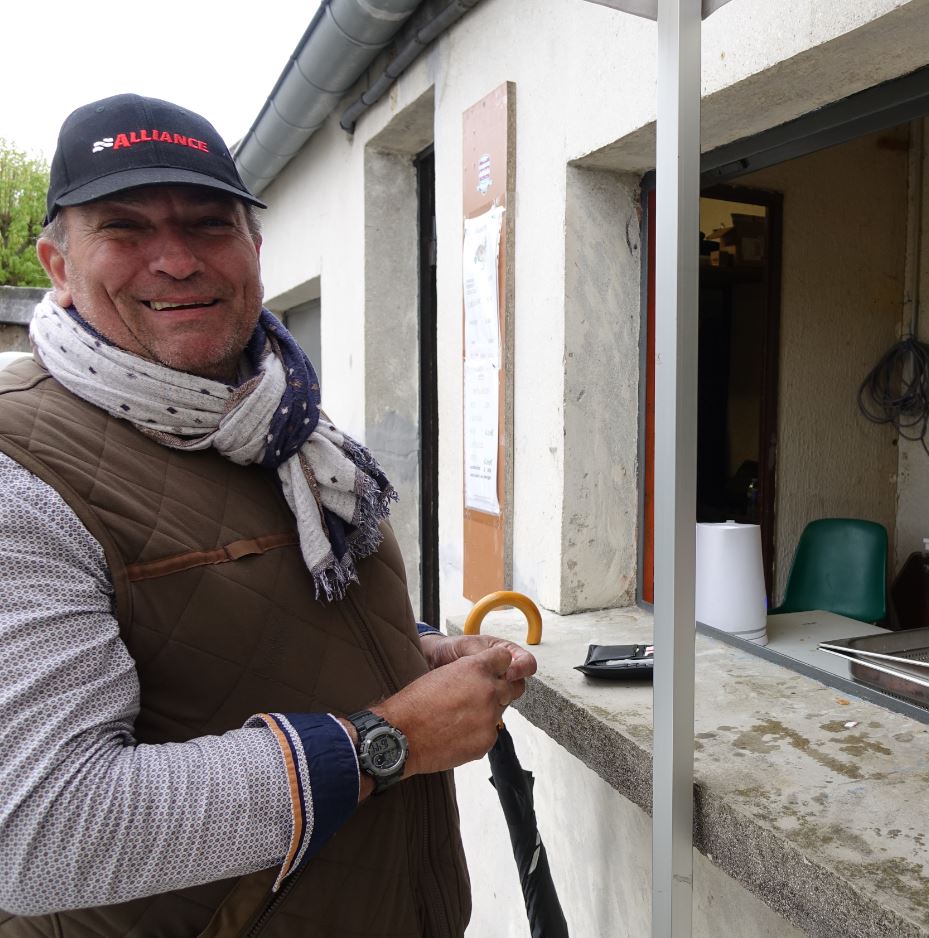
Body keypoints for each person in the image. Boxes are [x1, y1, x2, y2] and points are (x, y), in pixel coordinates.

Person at [0, 94, 533, 936]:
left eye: (210, 225)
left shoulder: (282, 424)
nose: (175, 261)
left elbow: (246, 624)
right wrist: (384, 742)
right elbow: (40, 830)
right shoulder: (18, 468)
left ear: (254, 248)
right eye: (125, 228)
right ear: (58, 266)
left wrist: (411, 651)